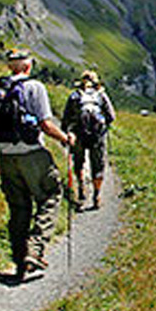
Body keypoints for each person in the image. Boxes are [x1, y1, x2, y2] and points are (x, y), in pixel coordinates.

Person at [0, 49, 72, 281]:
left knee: (18, 208)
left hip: (5, 155)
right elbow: (45, 124)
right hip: (32, 153)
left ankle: (19, 261)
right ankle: (35, 249)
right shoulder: (35, 87)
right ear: (28, 66)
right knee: (50, 196)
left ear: (10, 66)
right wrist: (66, 139)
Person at [61, 69, 115, 210]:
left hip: (79, 134)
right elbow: (111, 116)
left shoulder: (74, 96)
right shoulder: (101, 95)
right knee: (98, 164)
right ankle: (97, 196)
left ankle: (81, 191)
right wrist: (104, 125)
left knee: (79, 162)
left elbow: (66, 118)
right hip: (97, 135)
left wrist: (67, 134)